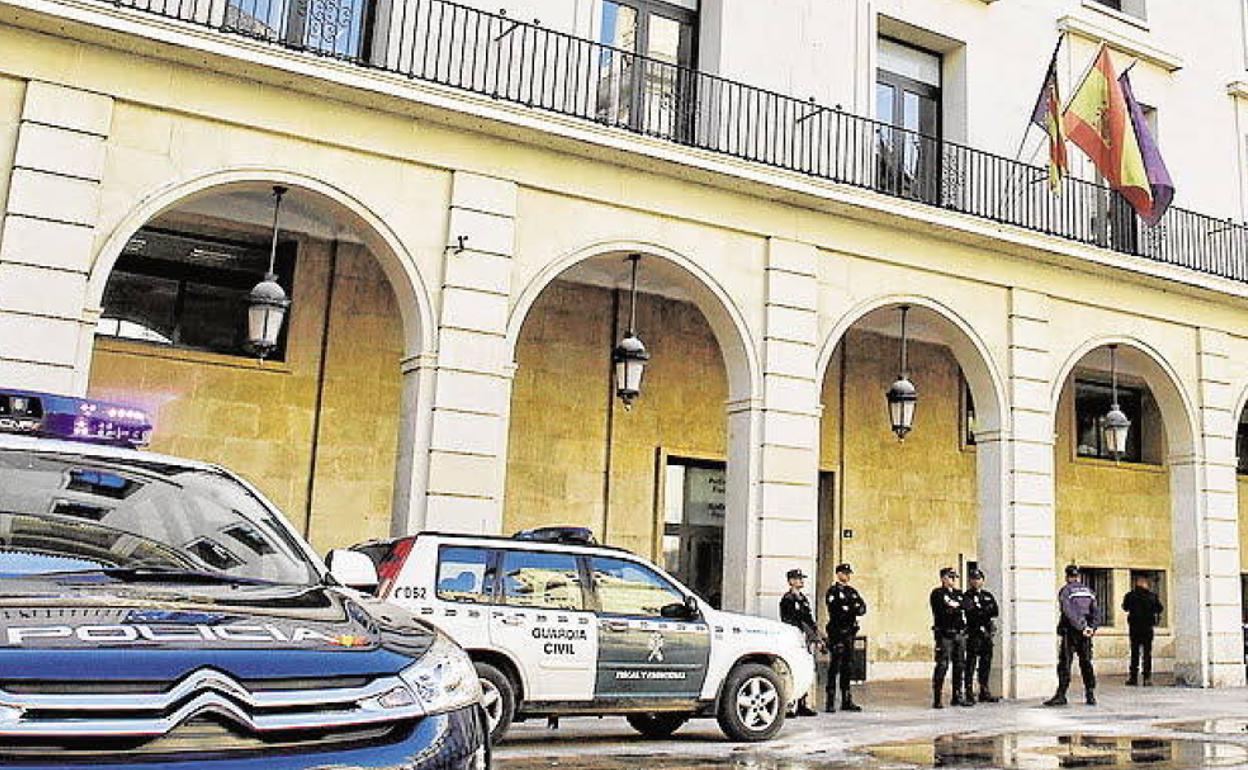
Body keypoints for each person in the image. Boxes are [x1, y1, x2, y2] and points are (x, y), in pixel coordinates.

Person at [1045, 564, 1099, 707]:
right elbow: (1096, 612)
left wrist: (1081, 627)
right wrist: (1091, 628)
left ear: (1067, 576)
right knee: (1086, 662)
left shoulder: (1066, 591)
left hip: (1071, 631)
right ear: (1078, 576)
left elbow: (1068, 612)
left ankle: (1061, 694)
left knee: (1065, 663)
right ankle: (1090, 694)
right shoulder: (1089, 591)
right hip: (1086, 632)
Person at [779, 568, 822, 717]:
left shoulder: (803, 599)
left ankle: (803, 703)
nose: (801, 581)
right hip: (794, 637)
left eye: (801, 578)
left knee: (804, 669)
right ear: (790, 581)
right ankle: (790, 705)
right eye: (798, 579)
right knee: (793, 670)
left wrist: (815, 633)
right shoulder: (788, 599)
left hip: (804, 638)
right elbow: (790, 620)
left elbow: (808, 618)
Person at [824, 563, 866, 713]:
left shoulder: (851, 591)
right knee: (834, 667)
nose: (847, 576)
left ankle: (847, 700)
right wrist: (850, 608)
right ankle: (830, 701)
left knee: (847, 667)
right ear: (838, 574)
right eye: (845, 573)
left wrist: (850, 608)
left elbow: (862, 608)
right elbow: (837, 611)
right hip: (837, 633)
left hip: (849, 633)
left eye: (848, 573)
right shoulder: (833, 591)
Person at [930, 567, 971, 709]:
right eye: (950, 577)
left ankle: (957, 695)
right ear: (943, 578)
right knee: (942, 665)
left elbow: (968, 606)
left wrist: (956, 607)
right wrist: (956, 608)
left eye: (954, 577)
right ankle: (937, 697)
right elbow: (943, 611)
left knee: (959, 665)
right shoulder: (937, 593)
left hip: (959, 633)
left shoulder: (959, 594)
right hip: (945, 634)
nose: (953, 580)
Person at [963, 568, 1001, 703]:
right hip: (974, 633)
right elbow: (971, 612)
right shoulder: (966, 596)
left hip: (986, 633)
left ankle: (984, 689)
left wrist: (982, 610)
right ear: (970, 581)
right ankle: (968, 691)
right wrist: (984, 611)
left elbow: (995, 610)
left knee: (986, 662)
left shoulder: (987, 595)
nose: (976, 581)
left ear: (983, 580)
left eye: (978, 579)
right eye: (973, 579)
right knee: (971, 662)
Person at [1122, 574, 1163, 687]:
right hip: (1147, 628)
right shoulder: (1152, 596)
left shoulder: (1130, 595)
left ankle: (1133, 678)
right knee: (1147, 654)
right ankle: (1147, 678)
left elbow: (1124, 607)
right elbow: (1160, 608)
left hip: (1134, 628)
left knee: (1134, 653)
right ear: (1145, 583)